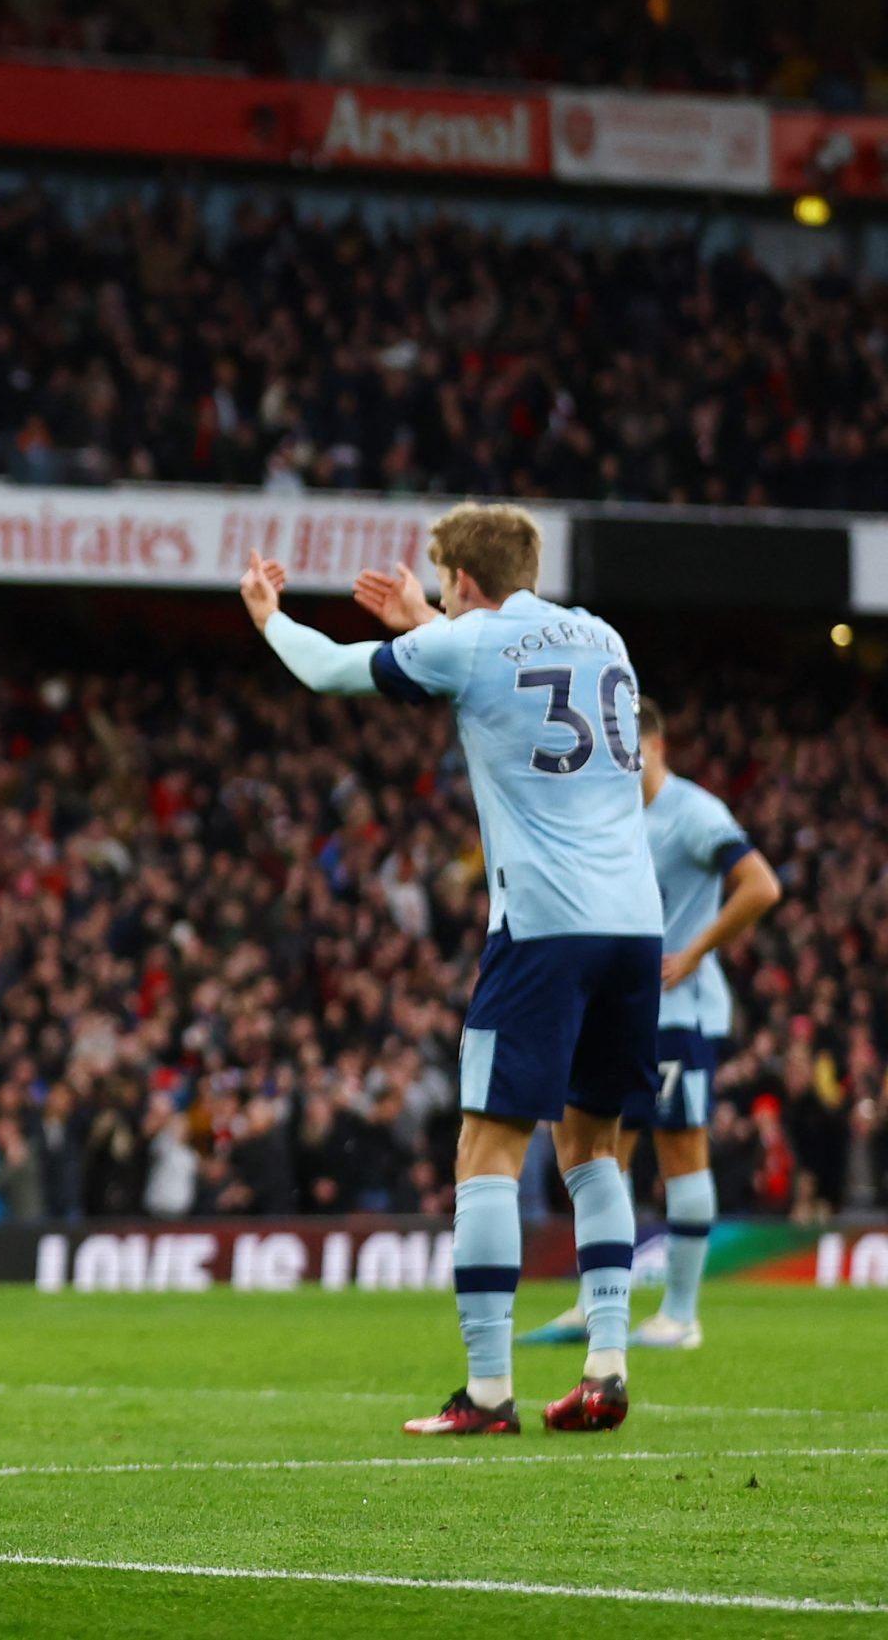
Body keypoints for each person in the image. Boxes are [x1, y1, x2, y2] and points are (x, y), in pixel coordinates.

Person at [240, 503, 656, 1436]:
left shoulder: (466, 641)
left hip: (545, 926)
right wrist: (428, 625)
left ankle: (488, 1391)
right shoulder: (605, 634)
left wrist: (269, 613)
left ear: (461, 579)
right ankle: (607, 1369)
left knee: (486, 1150)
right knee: (593, 1147)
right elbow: (512, 666)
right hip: (635, 924)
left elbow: (330, 670)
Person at [523, 697, 780, 1351]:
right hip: (621, 1010)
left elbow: (761, 885)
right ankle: (594, 1304)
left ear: (654, 744)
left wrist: (694, 951)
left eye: (624, 746)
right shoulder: (611, 815)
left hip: (678, 1014)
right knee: (603, 1152)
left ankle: (682, 1314)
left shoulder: (693, 813)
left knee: (680, 1150)